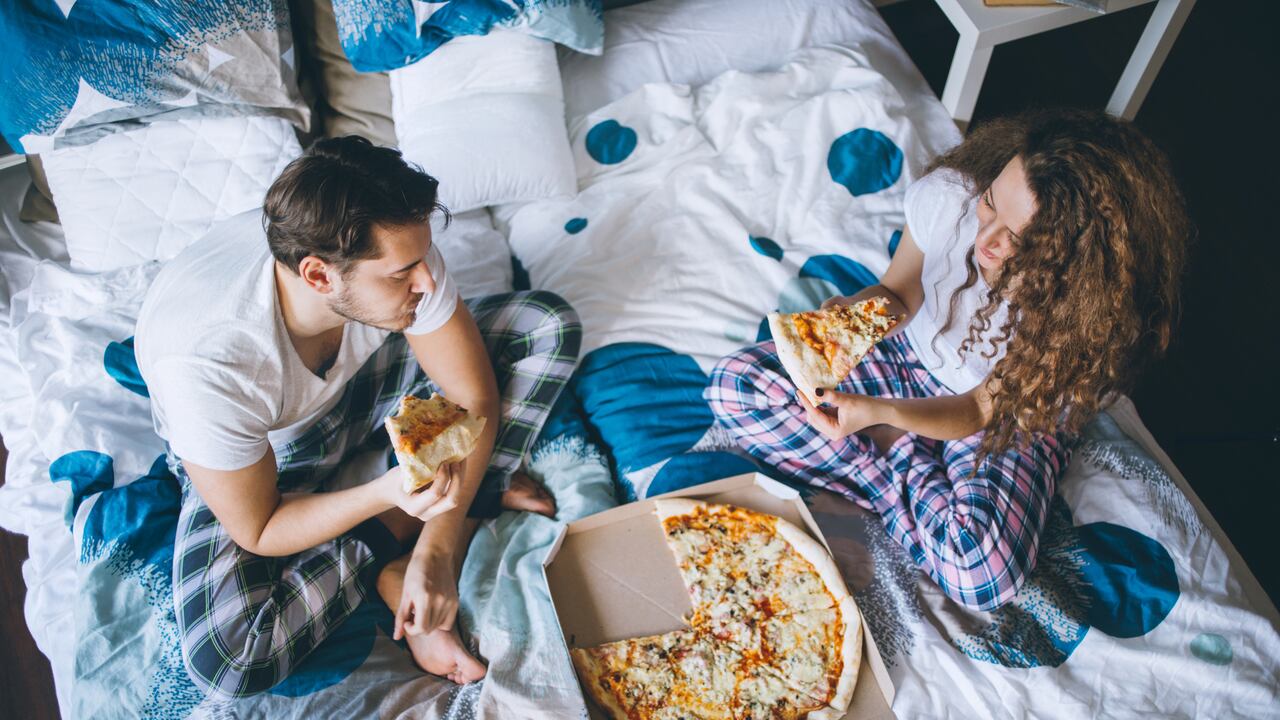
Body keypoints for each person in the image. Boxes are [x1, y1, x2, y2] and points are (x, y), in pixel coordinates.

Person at [135, 136, 581, 697]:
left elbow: (473, 400)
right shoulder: (206, 365)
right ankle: (404, 543)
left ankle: (428, 538)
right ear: (319, 277)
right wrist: (391, 494)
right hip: (264, 453)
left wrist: (437, 551)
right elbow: (262, 527)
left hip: (360, 387)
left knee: (545, 323)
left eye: (423, 259)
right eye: (401, 274)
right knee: (231, 657)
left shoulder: (391, 245)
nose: (427, 281)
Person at [705, 109, 1189, 610]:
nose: (986, 240)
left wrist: (883, 417)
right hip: (908, 357)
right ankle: (907, 486)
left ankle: (886, 461)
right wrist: (853, 318)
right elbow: (897, 292)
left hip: (1006, 416)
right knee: (732, 387)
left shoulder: (1084, 318)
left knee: (981, 571)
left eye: (1019, 239)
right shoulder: (951, 197)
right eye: (990, 205)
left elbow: (980, 409)